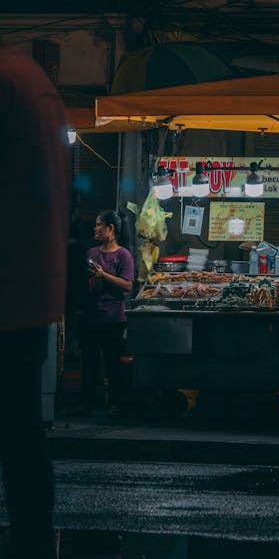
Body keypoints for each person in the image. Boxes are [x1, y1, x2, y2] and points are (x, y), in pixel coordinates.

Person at [0, 46, 70, 558]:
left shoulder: (9, 82)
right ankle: (32, 539)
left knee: (18, 432)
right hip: (25, 290)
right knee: (20, 430)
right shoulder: (27, 78)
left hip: (9, 286)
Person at [79, 210, 134, 416]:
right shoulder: (92, 253)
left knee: (113, 364)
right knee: (89, 363)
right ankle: (87, 405)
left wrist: (103, 275)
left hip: (113, 319)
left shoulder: (123, 255)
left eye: (99, 224)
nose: (95, 228)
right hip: (91, 317)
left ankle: (116, 404)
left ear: (110, 229)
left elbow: (127, 285)